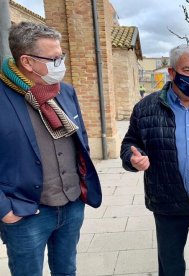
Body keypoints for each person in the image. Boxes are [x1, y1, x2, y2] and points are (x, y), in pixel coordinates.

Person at [120, 44, 189, 276]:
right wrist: (133, 159)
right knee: (170, 266)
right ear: (172, 72)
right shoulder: (146, 108)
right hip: (168, 202)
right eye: (187, 70)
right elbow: (129, 144)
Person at [0, 22, 102, 276]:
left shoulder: (65, 92)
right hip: (26, 212)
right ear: (27, 61)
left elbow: (82, 139)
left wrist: (80, 188)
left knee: (67, 270)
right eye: (54, 58)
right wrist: (4, 209)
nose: (61, 63)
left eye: (62, 56)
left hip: (71, 204)